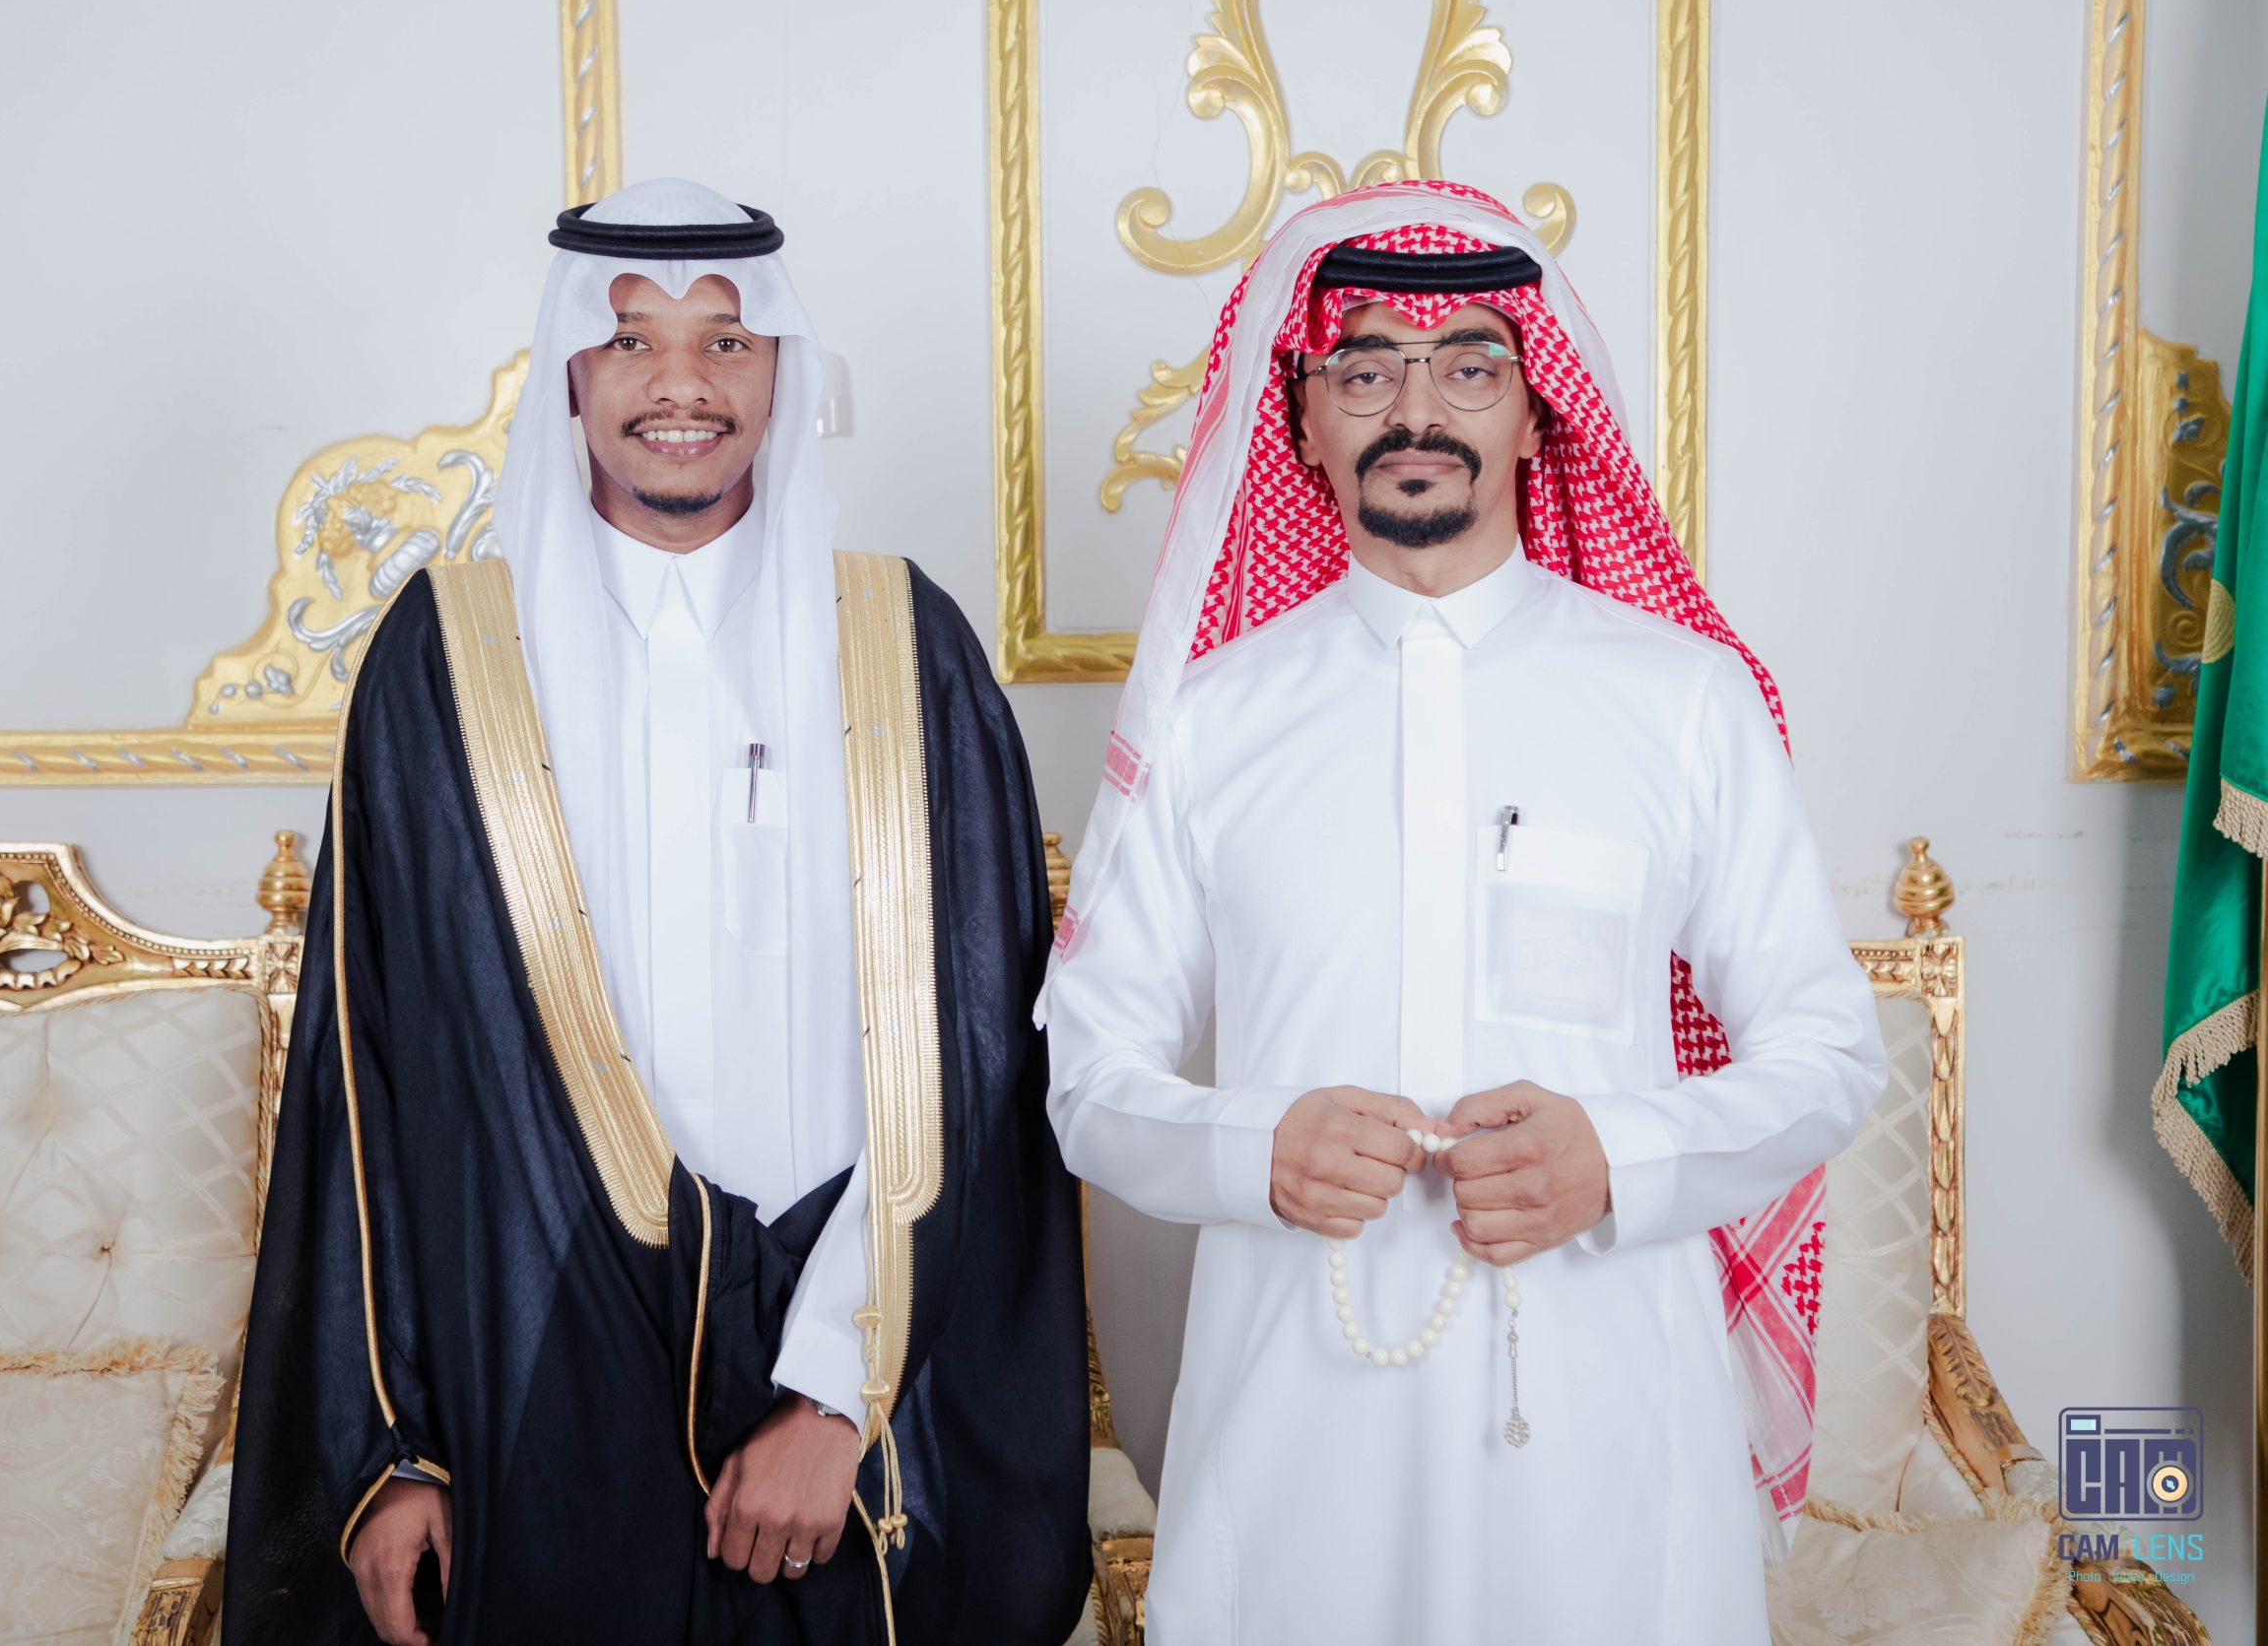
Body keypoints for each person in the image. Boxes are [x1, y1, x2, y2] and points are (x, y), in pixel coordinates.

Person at [226, 178, 1090, 1645]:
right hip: (542, 1356)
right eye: (631, 341)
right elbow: (368, 1077)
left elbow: (982, 1057)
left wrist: (835, 1391)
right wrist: (396, 1446)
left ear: (781, 373)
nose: (681, 385)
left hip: (857, 1367)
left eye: (726, 342)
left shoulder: (904, 643)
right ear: (572, 373)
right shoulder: (448, 661)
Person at [1038, 179, 1887, 1644]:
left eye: (1469, 367)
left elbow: (1827, 1051)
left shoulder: (1682, 701)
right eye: (1366, 368)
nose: (1416, 408)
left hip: (1605, 1407)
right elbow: (1085, 1076)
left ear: (1538, 413)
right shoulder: (1211, 719)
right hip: (1299, 1414)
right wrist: (1258, 1145)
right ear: (1305, 418)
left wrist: (1616, 1158)